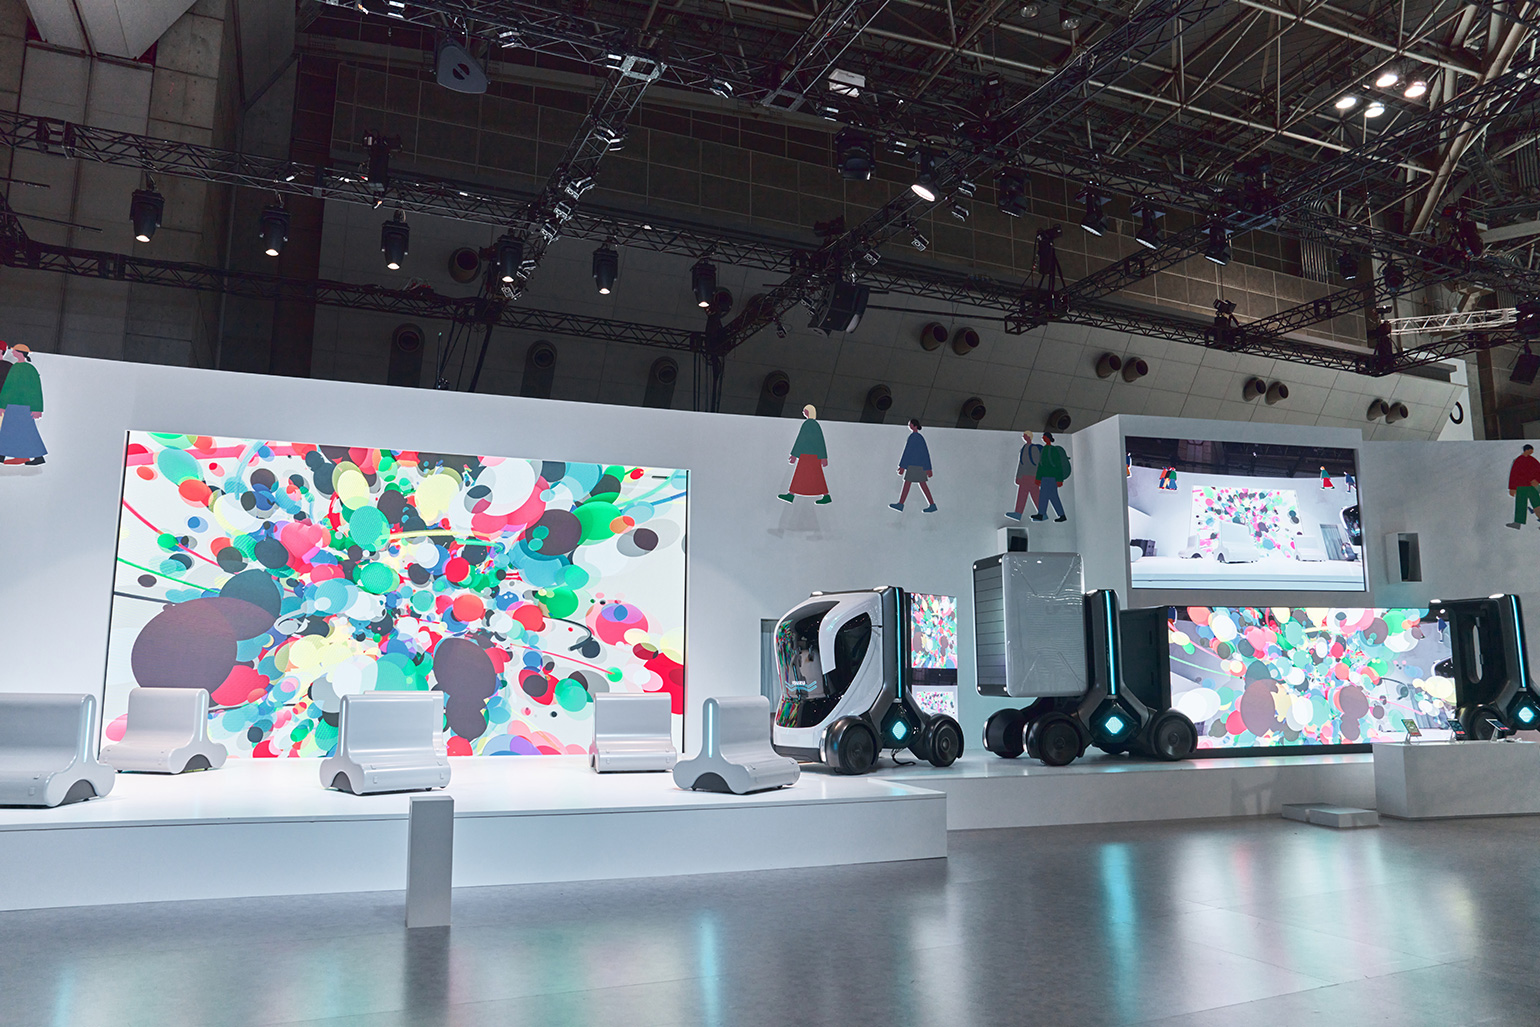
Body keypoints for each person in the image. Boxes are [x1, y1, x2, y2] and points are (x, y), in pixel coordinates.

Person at [0, 343, 46, 466]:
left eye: (14, 351)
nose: (12, 352)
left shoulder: (29, 369)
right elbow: (8, 387)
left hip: (24, 407)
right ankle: (2, 455)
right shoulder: (15, 367)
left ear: (20, 353)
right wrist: (2, 405)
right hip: (12, 406)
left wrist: (37, 409)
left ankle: (38, 456)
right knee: (8, 431)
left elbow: (36, 389)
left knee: (27, 432)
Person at [779, 404, 831, 504]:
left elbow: (801, 440)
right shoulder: (814, 425)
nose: (803, 412)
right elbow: (820, 441)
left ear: (808, 412)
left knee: (803, 475)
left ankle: (791, 495)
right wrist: (823, 456)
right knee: (815, 475)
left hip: (808, 456)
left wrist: (794, 455)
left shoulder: (808, 424)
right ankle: (825, 495)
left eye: (804, 411)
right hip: (812, 456)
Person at [890, 418, 936, 513]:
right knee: (918, 484)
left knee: (910, 484)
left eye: (910, 424)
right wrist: (928, 468)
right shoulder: (919, 437)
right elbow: (925, 453)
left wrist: (902, 466)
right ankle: (931, 504)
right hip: (918, 466)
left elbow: (908, 452)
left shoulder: (914, 437)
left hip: (914, 465)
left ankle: (901, 504)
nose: (909, 425)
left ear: (914, 425)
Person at [1030, 431, 1070, 522]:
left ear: (1048, 438)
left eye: (1044, 437)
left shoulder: (1053, 450)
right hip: (1045, 478)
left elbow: (1058, 465)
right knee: (1044, 496)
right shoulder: (1044, 449)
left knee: (1053, 497)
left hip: (1052, 478)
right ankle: (1041, 514)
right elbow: (1041, 465)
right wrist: (1038, 478)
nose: (1043, 438)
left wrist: (1059, 479)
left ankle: (1061, 515)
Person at [1005, 431, 1042, 521]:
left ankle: (1040, 513)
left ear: (1029, 436)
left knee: (1032, 495)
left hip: (1031, 476)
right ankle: (1020, 513)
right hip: (1026, 476)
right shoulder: (1024, 448)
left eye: (1025, 435)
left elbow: (1036, 464)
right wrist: (1018, 476)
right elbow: (1021, 464)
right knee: (1026, 494)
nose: (1023, 437)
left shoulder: (1033, 448)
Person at [1507, 444, 1540, 529]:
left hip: (1531, 487)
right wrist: (1512, 488)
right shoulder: (1518, 460)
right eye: (1531, 450)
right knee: (1520, 504)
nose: (1532, 452)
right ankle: (1517, 523)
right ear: (1526, 450)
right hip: (1521, 487)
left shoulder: (1533, 460)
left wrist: (1537, 480)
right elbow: (1513, 474)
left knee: (1537, 504)